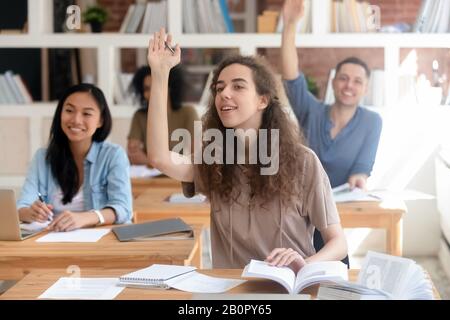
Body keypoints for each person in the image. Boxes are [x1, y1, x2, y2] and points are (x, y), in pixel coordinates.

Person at [146, 28, 347, 272]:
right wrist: (159, 74)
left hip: (290, 289)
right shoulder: (213, 160)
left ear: (263, 100)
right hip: (231, 292)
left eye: (238, 87)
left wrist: (303, 264)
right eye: (219, 88)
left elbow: (338, 243)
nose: (224, 94)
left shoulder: (303, 162)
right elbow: (159, 157)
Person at [281, 0, 382, 190]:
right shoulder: (311, 110)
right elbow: (290, 77)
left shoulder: (372, 121)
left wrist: (359, 179)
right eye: (343, 78)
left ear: (365, 89)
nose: (349, 86)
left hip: (344, 205)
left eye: (357, 81)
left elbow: (362, 167)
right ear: (333, 82)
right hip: (304, 204)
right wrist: (290, 24)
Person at [17, 83, 132, 232]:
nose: (76, 120)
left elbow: (123, 209)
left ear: (100, 121)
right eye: (69, 110)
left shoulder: (113, 155)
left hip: (100, 243)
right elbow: (21, 208)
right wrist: (30, 213)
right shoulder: (42, 158)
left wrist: (85, 218)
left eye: (87, 113)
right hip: (53, 241)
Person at [127, 65, 199, 165]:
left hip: (176, 175)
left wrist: (154, 162)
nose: (152, 93)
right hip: (149, 176)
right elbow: (133, 154)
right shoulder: (139, 116)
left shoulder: (188, 112)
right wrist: (163, 165)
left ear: (169, 87)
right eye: (147, 89)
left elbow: (199, 154)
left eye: (156, 87)